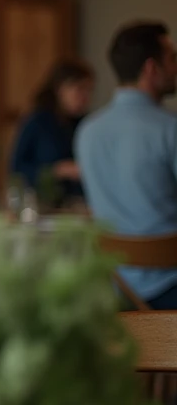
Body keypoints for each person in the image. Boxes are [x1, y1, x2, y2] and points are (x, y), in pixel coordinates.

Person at [75, 22, 177, 309]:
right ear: (150, 69)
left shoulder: (87, 131)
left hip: (115, 290)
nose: (176, 67)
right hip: (169, 290)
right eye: (172, 58)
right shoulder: (170, 130)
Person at [9, 60, 93, 201]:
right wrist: (57, 170)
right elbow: (16, 169)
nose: (85, 97)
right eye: (79, 89)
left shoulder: (85, 125)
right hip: (41, 202)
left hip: (78, 203)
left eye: (89, 90)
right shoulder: (37, 122)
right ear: (60, 89)